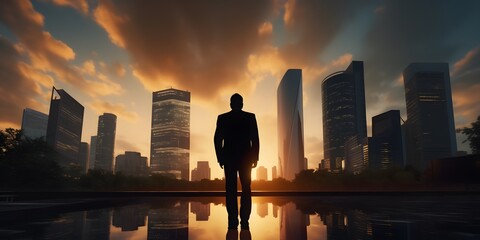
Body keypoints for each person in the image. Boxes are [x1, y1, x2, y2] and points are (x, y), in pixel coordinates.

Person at [214, 93, 259, 230]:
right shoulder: (250, 117)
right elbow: (255, 139)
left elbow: (217, 139)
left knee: (231, 189)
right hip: (245, 159)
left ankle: (232, 220)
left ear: (230, 104)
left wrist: (220, 157)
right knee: (246, 188)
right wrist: (255, 157)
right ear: (242, 104)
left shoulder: (223, 118)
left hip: (229, 158)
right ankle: (244, 220)